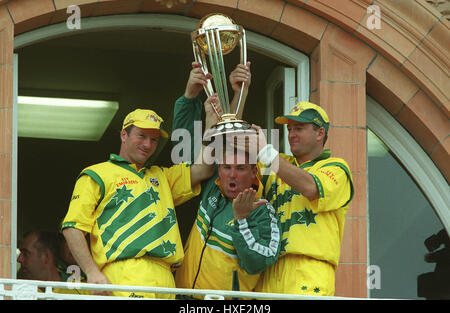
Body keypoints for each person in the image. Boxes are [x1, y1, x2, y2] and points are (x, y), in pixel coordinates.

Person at [61, 108, 214, 299]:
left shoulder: (161, 176)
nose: (148, 144)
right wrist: (92, 272)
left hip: (166, 277)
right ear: (124, 135)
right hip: (126, 273)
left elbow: (204, 170)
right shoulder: (96, 174)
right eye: (141, 136)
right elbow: (72, 228)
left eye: (154, 139)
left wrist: (210, 128)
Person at [172, 62, 281, 297]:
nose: (231, 174)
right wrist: (238, 92)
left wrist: (242, 221)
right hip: (183, 298)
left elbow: (258, 261)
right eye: (226, 167)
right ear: (218, 170)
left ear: (254, 172)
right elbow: (224, 135)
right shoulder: (214, 189)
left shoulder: (262, 211)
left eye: (241, 168)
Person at [254, 101, 355, 296]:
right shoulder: (279, 163)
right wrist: (241, 92)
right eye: (290, 129)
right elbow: (235, 155)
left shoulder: (336, 167)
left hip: (310, 271)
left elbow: (311, 188)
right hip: (269, 271)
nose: (291, 134)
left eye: (299, 128)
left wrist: (266, 153)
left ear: (320, 133)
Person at [17, 230, 90, 295]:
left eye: (25, 253)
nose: (19, 259)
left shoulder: (82, 291)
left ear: (46, 256)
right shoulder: (17, 290)